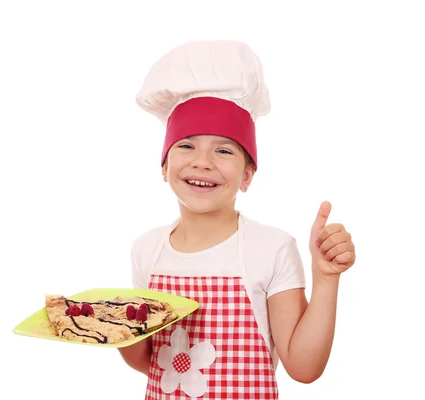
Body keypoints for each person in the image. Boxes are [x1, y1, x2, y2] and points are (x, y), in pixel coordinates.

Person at [118, 40, 356, 399]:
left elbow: (304, 368)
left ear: (247, 175)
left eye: (224, 150)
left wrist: (325, 279)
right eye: (186, 145)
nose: (202, 161)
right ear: (165, 166)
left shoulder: (271, 247)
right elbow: (149, 361)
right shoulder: (146, 249)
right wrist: (117, 329)